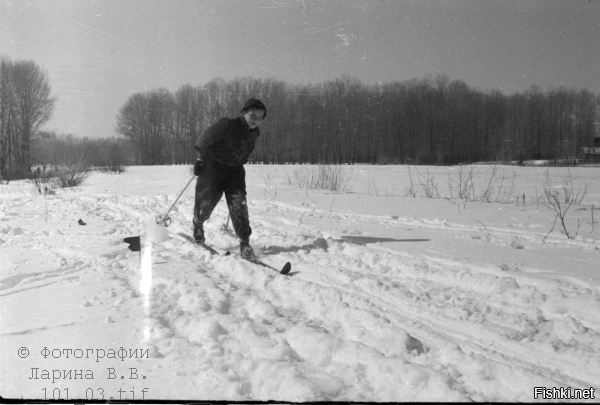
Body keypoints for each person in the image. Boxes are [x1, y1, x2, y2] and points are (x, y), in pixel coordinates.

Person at [192, 98, 267, 260]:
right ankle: (198, 224)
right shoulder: (227, 124)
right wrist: (200, 159)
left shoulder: (254, 134)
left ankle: (245, 243)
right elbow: (205, 139)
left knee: (239, 205)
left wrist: (241, 160)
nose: (256, 120)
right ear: (244, 113)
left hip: (235, 171)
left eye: (260, 117)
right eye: (253, 115)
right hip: (213, 167)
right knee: (206, 203)